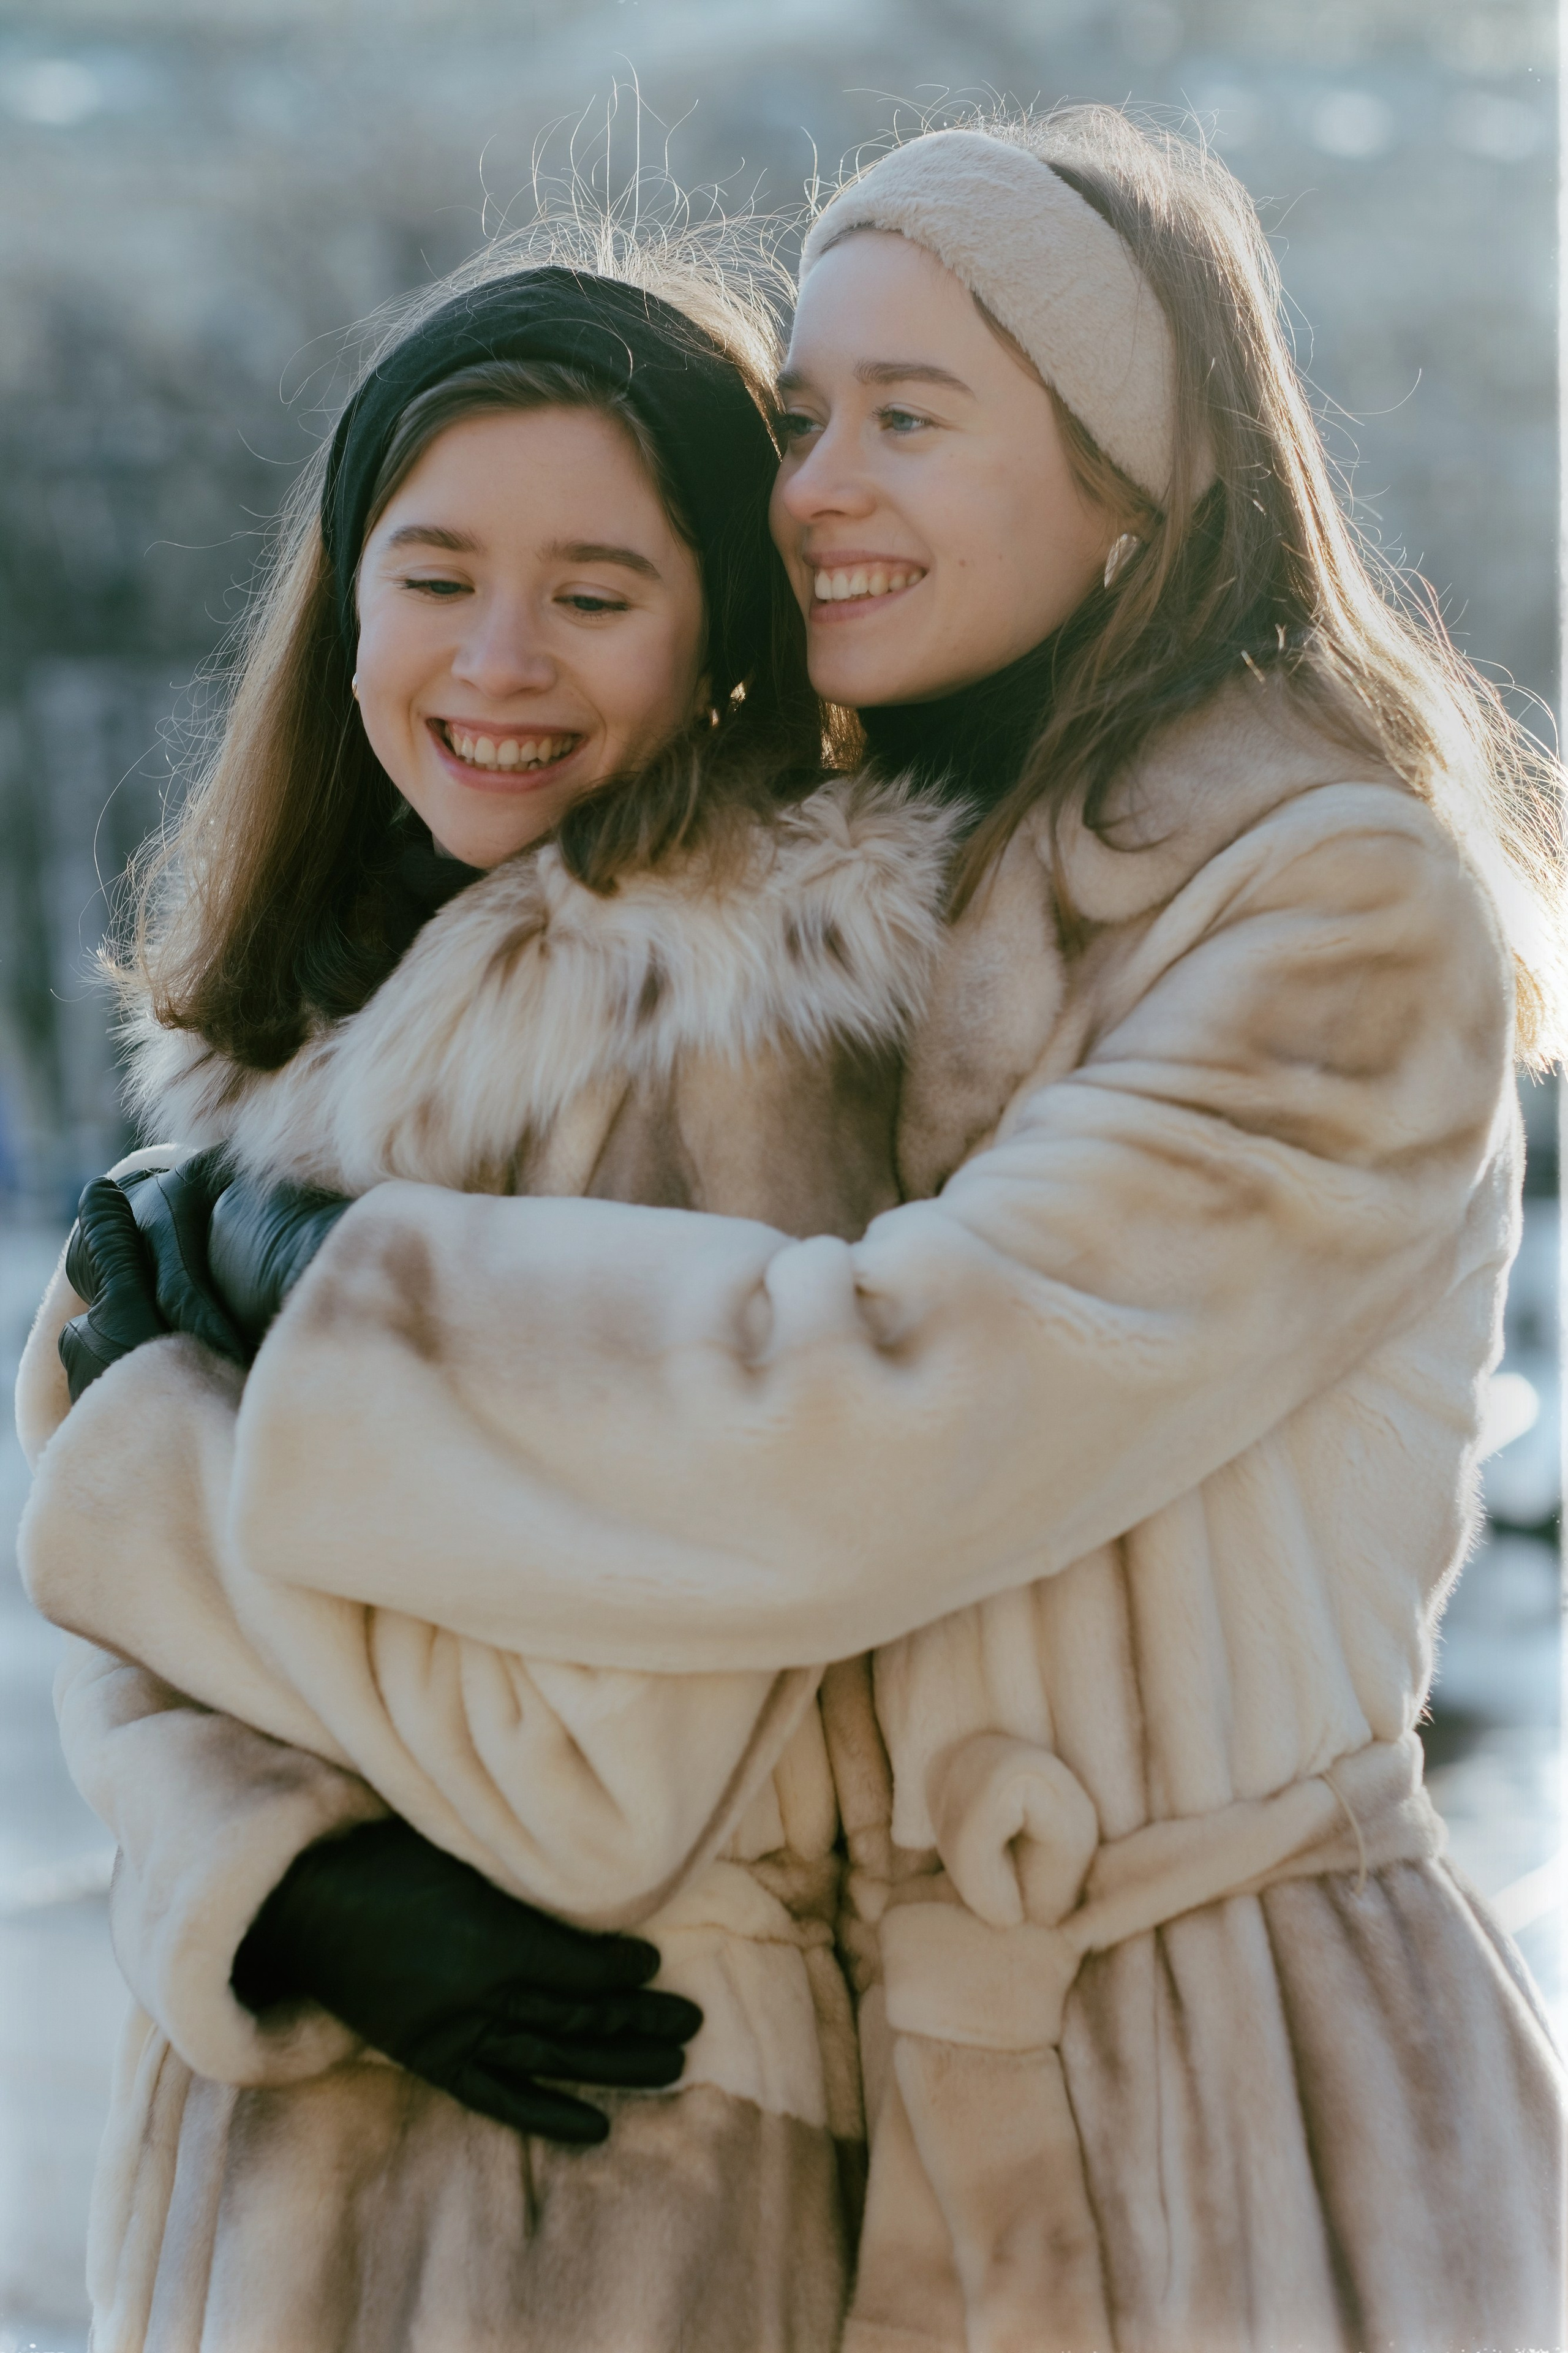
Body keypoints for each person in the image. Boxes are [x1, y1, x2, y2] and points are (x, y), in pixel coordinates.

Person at [25, 103, 1567, 2351]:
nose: (817, 482)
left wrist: (201, 1396)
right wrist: (261, 1872)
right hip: (906, 2075)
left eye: (908, 417)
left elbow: (879, 1417)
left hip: (1228, 2092)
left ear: (1136, 479)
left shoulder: (1318, 899)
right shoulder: (922, 869)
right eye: (807, 413)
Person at [17, 244, 958, 2350]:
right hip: (291, 2181)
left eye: (597, 593)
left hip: (598, 2202)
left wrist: (134, 1445)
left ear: (725, 621)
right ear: (345, 591)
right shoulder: (320, 1014)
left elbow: (603, 1777)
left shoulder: (737, 1032)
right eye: (434, 574)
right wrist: (279, 1872)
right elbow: (153, 1681)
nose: (499, 661)